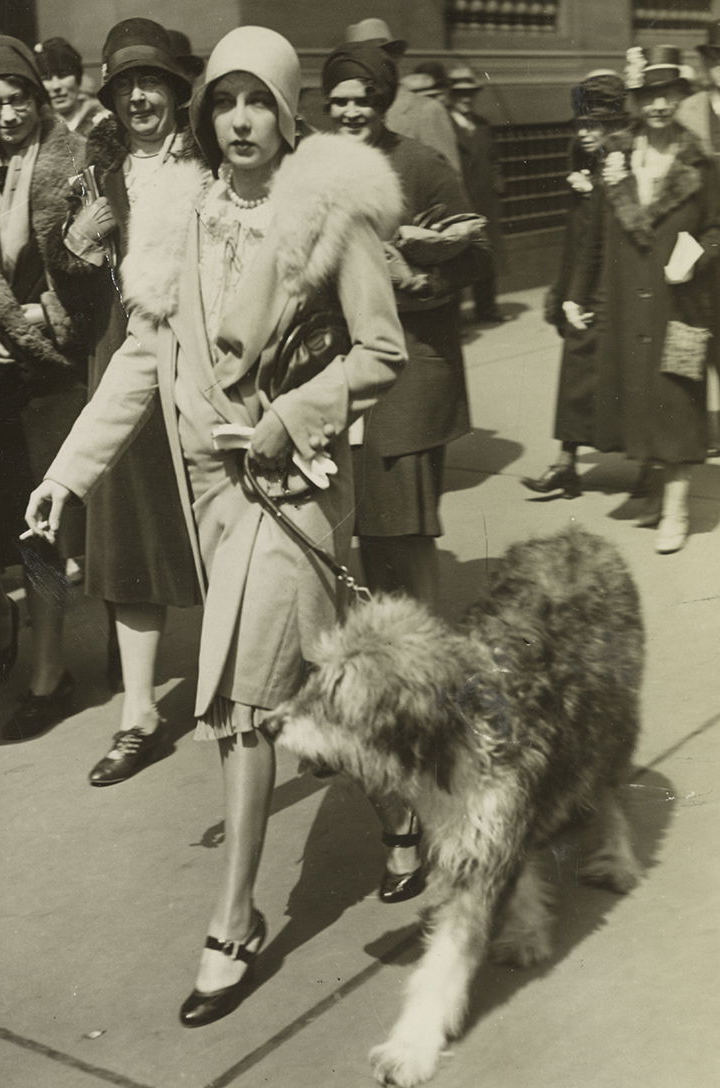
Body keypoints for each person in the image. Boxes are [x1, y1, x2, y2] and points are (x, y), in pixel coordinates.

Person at [26, 25, 405, 1024]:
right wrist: (69, 470)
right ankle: (402, 805)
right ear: (209, 115)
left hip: (296, 487)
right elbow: (142, 362)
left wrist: (290, 413)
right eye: (225, 102)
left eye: (259, 103)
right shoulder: (186, 219)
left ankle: (234, 919)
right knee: (315, 682)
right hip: (215, 499)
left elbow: (382, 351)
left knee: (241, 699)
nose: (240, 120)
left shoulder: (333, 216)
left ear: (288, 115)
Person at [323, 39, 480, 903]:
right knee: (353, 560)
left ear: (383, 97)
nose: (350, 113)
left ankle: (431, 706)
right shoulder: (314, 166)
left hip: (410, 376)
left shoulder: (419, 162)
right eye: (337, 101)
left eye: (362, 100)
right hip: (337, 383)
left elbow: (473, 261)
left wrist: (406, 268)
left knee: (404, 546)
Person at [50, 19, 202, 786]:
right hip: (125, 364)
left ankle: (240, 696)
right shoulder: (96, 172)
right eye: (124, 86)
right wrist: (78, 243)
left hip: (206, 369)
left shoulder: (214, 161)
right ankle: (138, 711)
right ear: (110, 98)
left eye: (152, 83)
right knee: (130, 538)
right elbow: (68, 285)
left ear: (176, 90)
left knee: (223, 529)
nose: (139, 96)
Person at [0, 35, 89, 731]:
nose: (7, 115)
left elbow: (99, 262)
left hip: (53, 369)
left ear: (39, 98)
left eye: (18, 99)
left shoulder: (74, 161)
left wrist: (50, 312)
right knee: (7, 522)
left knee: (44, 528)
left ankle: (50, 670)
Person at [567, 45, 720, 554]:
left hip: (684, 307)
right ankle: (656, 492)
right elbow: (593, 234)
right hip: (629, 307)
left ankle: (676, 508)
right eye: (649, 94)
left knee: (677, 402)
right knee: (641, 400)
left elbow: (717, 229)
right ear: (637, 99)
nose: (658, 104)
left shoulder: (701, 160)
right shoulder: (615, 155)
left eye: (668, 93)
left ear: (681, 96)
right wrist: (575, 293)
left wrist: (696, 255)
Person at [523, 72, 629, 499]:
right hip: (585, 278)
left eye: (595, 125)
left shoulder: (627, 160)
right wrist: (567, 290)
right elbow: (578, 235)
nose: (585, 133)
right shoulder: (582, 159)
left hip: (621, 280)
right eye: (581, 124)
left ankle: (650, 465)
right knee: (577, 365)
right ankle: (566, 462)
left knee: (630, 372)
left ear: (615, 123)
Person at [678, 20, 720, 455]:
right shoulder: (687, 110)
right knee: (698, 335)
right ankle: (700, 432)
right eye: (717, 59)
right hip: (701, 243)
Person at [344, 18, 461, 172]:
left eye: (376, 60)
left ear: (394, 60)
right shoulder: (350, 114)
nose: (367, 69)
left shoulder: (426, 111)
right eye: (359, 63)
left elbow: (448, 182)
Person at [447, 64, 507, 323]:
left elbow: (493, 158)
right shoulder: (445, 125)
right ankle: (456, 315)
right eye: (460, 93)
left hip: (485, 199)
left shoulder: (482, 125)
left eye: (470, 93)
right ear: (450, 95)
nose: (465, 98)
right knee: (457, 256)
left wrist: (497, 182)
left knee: (486, 254)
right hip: (459, 199)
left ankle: (487, 308)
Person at [33, 37, 108, 137]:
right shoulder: (37, 130)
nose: (56, 86)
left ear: (78, 77)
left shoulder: (103, 120)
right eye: (47, 78)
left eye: (63, 75)